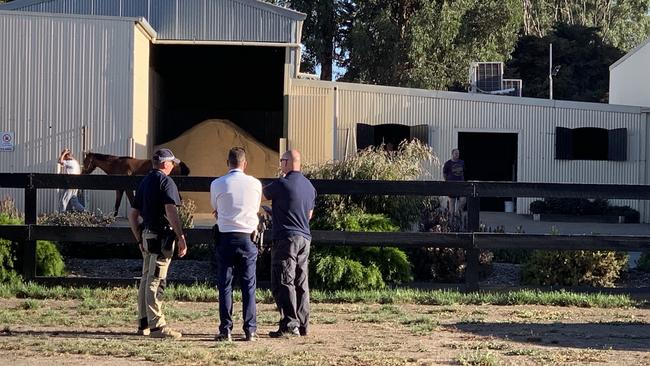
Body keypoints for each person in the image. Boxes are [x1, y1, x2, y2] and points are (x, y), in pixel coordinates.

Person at [128, 148, 188, 339]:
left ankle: (143, 323)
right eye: (172, 163)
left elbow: (132, 214)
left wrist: (138, 237)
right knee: (156, 280)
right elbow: (171, 211)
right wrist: (181, 236)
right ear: (165, 164)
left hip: (146, 235)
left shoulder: (145, 181)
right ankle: (157, 326)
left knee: (146, 279)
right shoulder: (166, 182)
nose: (173, 166)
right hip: (161, 237)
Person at [210, 147, 262, 342]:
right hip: (248, 238)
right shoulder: (255, 184)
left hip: (225, 237)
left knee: (225, 285)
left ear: (228, 162)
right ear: (245, 163)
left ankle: (226, 329)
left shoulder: (217, 183)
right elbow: (255, 208)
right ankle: (251, 329)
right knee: (249, 284)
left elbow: (215, 208)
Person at [263, 150, 316, 338]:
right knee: (301, 281)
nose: (280, 164)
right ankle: (303, 324)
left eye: (281, 161)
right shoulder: (309, 187)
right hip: (304, 237)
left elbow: (263, 193)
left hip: (286, 237)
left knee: (284, 279)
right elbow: (308, 214)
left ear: (287, 162)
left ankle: (289, 323)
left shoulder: (281, 184)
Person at [57, 148, 85, 212]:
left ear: (67, 156)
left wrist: (63, 153)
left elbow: (59, 161)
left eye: (65, 156)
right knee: (75, 203)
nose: (63, 157)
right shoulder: (75, 162)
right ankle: (85, 212)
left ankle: (61, 217)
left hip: (70, 184)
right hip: (76, 184)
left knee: (63, 201)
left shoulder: (69, 162)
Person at [442, 148, 465, 215]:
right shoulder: (448, 163)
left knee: (463, 200)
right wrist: (447, 182)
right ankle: (451, 221)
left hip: (460, 185)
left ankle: (457, 212)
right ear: (452, 154)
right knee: (452, 202)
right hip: (451, 185)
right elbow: (444, 173)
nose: (457, 155)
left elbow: (463, 172)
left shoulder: (462, 162)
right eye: (456, 153)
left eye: (458, 153)